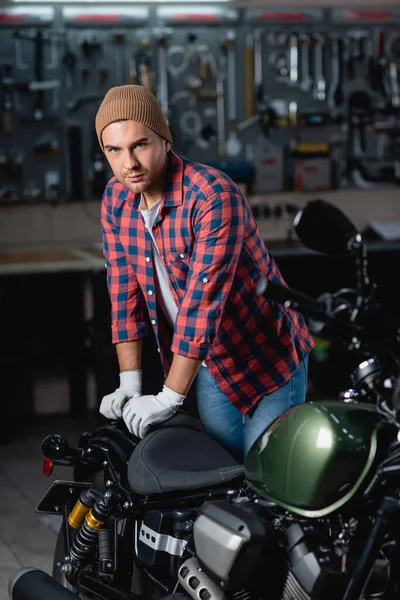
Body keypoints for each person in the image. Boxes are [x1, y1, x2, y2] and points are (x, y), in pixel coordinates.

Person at [95, 84, 314, 461]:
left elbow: (202, 304)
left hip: (267, 358)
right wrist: (129, 383)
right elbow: (123, 295)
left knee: (268, 481)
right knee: (223, 480)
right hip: (209, 362)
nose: (128, 163)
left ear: (165, 140)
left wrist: (169, 396)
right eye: (114, 150)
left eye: (140, 145)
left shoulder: (212, 195)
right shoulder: (116, 199)